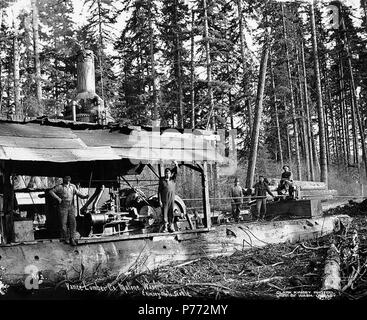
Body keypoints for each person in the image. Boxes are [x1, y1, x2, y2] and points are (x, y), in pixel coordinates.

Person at [49, 176, 89, 245]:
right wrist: (58, 198)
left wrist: (84, 196)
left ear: (70, 179)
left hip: (71, 206)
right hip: (63, 206)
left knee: (73, 223)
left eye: (69, 178)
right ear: (64, 179)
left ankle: (72, 238)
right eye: (66, 178)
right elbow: (51, 191)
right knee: (63, 223)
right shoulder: (59, 187)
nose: (68, 180)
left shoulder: (72, 186)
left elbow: (78, 193)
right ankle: (65, 238)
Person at [158, 161, 179, 233]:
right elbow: (159, 191)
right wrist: (159, 200)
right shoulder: (162, 180)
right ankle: (165, 227)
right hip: (164, 200)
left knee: (171, 213)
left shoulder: (173, 180)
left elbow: (176, 172)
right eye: (166, 173)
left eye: (169, 173)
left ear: (171, 174)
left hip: (171, 200)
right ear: (165, 173)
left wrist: (176, 165)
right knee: (164, 214)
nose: (168, 174)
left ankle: (171, 226)